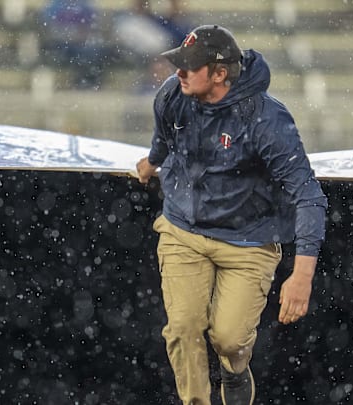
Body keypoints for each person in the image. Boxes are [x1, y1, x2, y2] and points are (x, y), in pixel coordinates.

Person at [135, 25, 327, 404]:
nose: (179, 72)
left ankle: (235, 367)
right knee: (183, 327)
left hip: (248, 239)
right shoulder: (173, 94)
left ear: (220, 74)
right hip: (183, 229)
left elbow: (308, 195)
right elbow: (165, 136)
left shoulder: (265, 119)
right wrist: (152, 162)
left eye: (190, 66)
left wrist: (301, 276)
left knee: (228, 338)